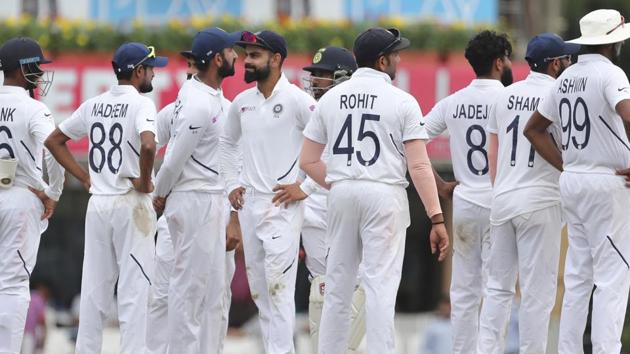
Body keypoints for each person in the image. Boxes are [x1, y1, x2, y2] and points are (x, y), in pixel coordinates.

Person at [300, 27, 449, 354]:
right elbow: (420, 167)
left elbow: (308, 160)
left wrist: (342, 181)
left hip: (341, 193)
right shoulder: (402, 100)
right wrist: (436, 218)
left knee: (337, 286)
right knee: (380, 286)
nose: (398, 59)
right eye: (396, 54)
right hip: (383, 193)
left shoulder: (332, 97)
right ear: (382, 61)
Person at [45, 42, 167, 354]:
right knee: (134, 291)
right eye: (151, 67)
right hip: (130, 202)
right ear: (138, 71)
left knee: (93, 292)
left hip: (98, 203)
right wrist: (143, 180)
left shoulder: (94, 104)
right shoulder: (142, 104)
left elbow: (55, 141)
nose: (153, 73)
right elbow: (150, 146)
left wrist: (83, 176)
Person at [524, 9, 630, 354]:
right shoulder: (612, 73)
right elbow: (627, 113)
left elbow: (533, 129)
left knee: (577, 278)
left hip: (574, 181)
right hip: (607, 183)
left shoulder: (566, 77)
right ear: (613, 41)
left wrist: (567, 164)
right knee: (612, 279)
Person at [476, 33, 579, 354]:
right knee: (538, 292)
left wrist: (500, 192)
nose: (569, 63)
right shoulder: (560, 94)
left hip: (503, 198)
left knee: (497, 288)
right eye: (566, 59)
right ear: (554, 64)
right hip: (541, 199)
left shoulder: (505, 95)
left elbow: (493, 155)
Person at [220, 30, 317, 353]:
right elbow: (227, 143)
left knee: (279, 291)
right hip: (250, 206)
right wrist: (232, 185)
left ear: (276, 60)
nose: (247, 61)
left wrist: (306, 186)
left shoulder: (298, 101)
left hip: (282, 208)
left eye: (255, 56)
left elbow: (328, 145)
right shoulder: (242, 103)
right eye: (246, 55)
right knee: (262, 294)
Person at [147, 44, 242, 354]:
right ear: (215, 60)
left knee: (213, 296)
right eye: (229, 51)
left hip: (210, 202)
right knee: (177, 294)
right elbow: (162, 151)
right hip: (192, 202)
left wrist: (233, 216)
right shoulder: (192, 103)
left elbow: (235, 167)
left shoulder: (221, 106)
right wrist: (157, 189)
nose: (236, 57)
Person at [423, 30, 513, 354]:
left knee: (463, 290)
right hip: (499, 200)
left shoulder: (453, 101)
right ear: (499, 62)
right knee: (497, 286)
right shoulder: (509, 99)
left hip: (463, 201)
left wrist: (439, 183)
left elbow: (412, 143)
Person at [272, 46, 366, 353]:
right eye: (315, 75)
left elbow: (342, 164)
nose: (315, 82)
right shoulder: (315, 111)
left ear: (342, 78)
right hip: (315, 217)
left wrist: (307, 188)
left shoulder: (348, 111)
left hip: (338, 211)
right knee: (320, 290)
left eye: (323, 76)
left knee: (351, 292)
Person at [0, 36, 64, 354]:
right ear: (22, 68)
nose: (40, 73)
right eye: (36, 66)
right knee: (13, 285)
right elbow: (54, 148)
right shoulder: (34, 107)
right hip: (20, 198)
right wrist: (52, 191)